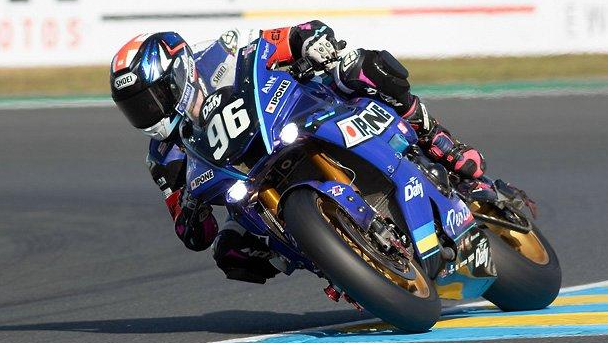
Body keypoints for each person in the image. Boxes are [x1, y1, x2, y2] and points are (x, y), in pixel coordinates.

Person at [109, 21, 487, 285]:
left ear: (177, 74)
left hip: (298, 116)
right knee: (231, 251)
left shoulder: (219, 55)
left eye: (152, 99)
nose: (149, 113)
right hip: (250, 184)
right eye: (136, 108)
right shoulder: (163, 157)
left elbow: (289, 36)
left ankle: (437, 139)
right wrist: (191, 211)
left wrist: (311, 43)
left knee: (361, 68)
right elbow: (192, 234)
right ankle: (332, 260)